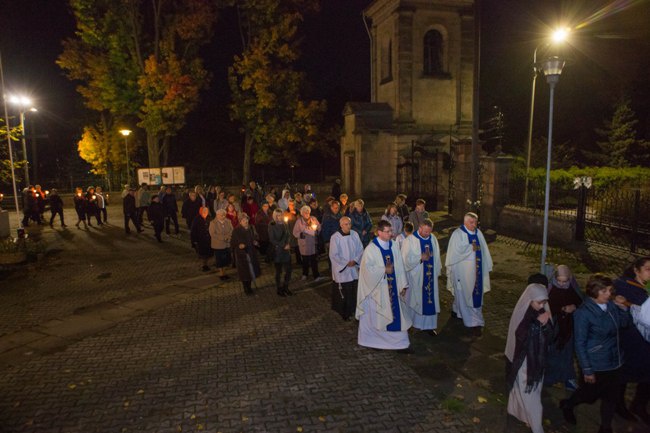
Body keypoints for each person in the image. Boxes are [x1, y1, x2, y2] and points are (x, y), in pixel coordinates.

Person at [560, 274, 631, 433]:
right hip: (597, 363)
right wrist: (587, 369)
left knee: (611, 397)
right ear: (593, 291)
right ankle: (568, 404)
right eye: (604, 291)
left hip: (615, 360)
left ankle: (605, 427)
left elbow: (624, 324)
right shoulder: (584, 313)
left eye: (610, 290)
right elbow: (580, 343)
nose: (608, 294)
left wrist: (624, 309)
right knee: (588, 395)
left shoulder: (611, 305)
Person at [356, 220, 412, 352]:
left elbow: (399, 265)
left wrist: (403, 285)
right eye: (387, 232)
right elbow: (366, 270)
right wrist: (383, 270)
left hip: (392, 289)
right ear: (379, 232)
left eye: (391, 231)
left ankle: (401, 344)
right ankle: (374, 341)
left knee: (397, 316)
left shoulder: (393, 245)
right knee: (378, 317)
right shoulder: (371, 249)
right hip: (377, 291)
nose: (391, 234)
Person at [505, 282, 552, 433]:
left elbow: (551, 334)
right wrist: (537, 324)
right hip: (525, 360)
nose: (542, 305)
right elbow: (520, 336)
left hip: (537, 359)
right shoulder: (523, 312)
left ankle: (518, 412)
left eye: (544, 302)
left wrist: (545, 324)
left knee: (529, 390)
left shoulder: (542, 309)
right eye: (539, 302)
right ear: (530, 299)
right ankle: (537, 428)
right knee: (530, 393)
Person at [613, 256, 650, 424]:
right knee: (625, 373)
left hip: (646, 340)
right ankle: (618, 405)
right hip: (630, 338)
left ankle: (639, 405)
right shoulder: (624, 286)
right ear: (636, 270)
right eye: (648, 270)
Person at [445, 212, 493, 336]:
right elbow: (455, 253)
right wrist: (469, 248)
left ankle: (457, 311)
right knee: (464, 295)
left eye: (476, 222)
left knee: (470, 296)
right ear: (465, 222)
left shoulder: (478, 233)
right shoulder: (458, 234)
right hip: (462, 272)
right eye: (471, 222)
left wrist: (486, 263)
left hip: (477, 271)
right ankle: (473, 323)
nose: (474, 225)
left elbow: (483, 249)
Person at [544, 265, 583, 391]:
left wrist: (574, 307)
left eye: (564, 281)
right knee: (552, 352)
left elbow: (580, 301)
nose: (561, 284)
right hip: (554, 326)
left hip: (569, 326)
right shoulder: (550, 289)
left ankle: (568, 378)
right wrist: (561, 309)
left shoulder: (572, 288)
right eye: (559, 280)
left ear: (569, 279)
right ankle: (549, 378)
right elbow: (546, 306)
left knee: (567, 353)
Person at [402, 219, 442, 335]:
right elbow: (404, 260)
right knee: (414, 300)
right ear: (419, 228)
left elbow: (437, 255)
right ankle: (411, 324)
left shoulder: (432, 238)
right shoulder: (410, 241)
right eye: (425, 232)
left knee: (430, 300)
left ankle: (428, 326)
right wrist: (420, 258)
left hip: (430, 276)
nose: (427, 234)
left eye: (429, 232)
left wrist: (437, 270)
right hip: (416, 278)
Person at [329, 216, 363, 320]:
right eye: (346, 224)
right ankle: (345, 313)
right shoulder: (335, 237)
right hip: (343, 271)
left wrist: (355, 260)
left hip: (353, 268)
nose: (348, 226)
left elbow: (360, 249)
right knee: (345, 293)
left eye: (349, 224)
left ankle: (353, 310)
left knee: (354, 291)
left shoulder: (354, 234)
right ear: (341, 225)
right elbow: (334, 255)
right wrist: (346, 263)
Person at [230, 214, 261, 295]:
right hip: (242, 254)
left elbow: (255, 237)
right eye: (244, 220)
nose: (246, 221)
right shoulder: (236, 230)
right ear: (240, 221)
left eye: (246, 219)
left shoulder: (251, 228)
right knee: (244, 272)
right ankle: (246, 288)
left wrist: (255, 241)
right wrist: (239, 244)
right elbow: (233, 242)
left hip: (251, 252)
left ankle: (249, 287)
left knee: (250, 270)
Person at [293, 205, 324, 282]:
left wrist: (316, 230)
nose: (307, 214)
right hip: (304, 245)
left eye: (308, 212)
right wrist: (301, 234)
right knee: (305, 261)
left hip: (313, 244)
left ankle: (316, 275)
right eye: (305, 212)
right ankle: (305, 274)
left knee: (314, 260)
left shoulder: (313, 219)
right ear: (302, 213)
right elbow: (294, 232)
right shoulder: (298, 221)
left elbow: (319, 227)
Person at [268, 209, 293, 296]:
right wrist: (283, 245)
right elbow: (272, 239)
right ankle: (279, 289)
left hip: (286, 251)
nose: (280, 217)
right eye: (278, 215)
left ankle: (286, 287)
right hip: (278, 252)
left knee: (289, 270)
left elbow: (288, 234)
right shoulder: (272, 225)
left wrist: (288, 243)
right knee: (278, 272)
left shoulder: (284, 223)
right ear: (275, 216)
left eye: (281, 215)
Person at [209, 209, 233, 280]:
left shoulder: (228, 221)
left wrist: (228, 237)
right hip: (218, 245)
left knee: (226, 260)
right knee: (220, 260)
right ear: (217, 215)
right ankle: (221, 274)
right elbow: (213, 234)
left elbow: (232, 230)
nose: (223, 216)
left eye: (224, 215)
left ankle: (225, 272)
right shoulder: (213, 223)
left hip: (227, 244)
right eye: (221, 215)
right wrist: (223, 238)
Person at [191, 207, 212, 272]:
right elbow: (193, 230)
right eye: (204, 211)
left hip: (208, 239)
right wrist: (194, 240)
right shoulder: (197, 219)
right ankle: (204, 265)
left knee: (208, 253)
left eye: (206, 211)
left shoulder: (209, 218)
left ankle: (206, 264)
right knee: (203, 253)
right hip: (201, 239)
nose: (205, 212)